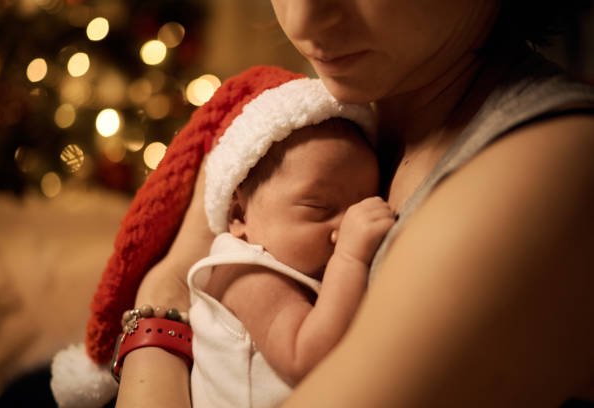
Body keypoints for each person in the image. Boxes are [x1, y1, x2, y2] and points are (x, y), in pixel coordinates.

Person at [97, 1, 594, 407]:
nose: (301, 19)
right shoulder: (301, 119)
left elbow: (181, 279)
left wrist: (160, 299)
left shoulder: (548, 169)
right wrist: (164, 297)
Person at [188, 104, 394, 405]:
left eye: (362, 206)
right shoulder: (248, 274)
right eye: (319, 208)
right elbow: (306, 358)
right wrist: (349, 258)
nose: (348, 228)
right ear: (239, 215)